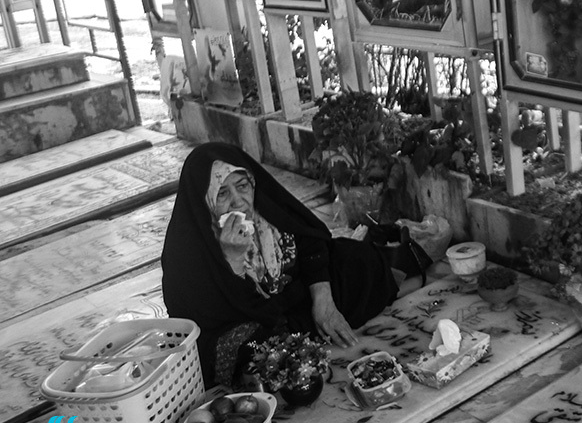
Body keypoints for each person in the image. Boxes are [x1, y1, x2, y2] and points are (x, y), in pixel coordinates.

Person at [161, 143, 409, 387]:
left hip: (295, 302)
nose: (238, 201)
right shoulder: (186, 251)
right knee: (253, 348)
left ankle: (312, 328)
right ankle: (295, 345)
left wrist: (323, 301)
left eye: (242, 186)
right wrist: (233, 261)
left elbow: (311, 240)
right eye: (222, 193)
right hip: (250, 321)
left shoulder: (265, 208)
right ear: (204, 200)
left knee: (357, 259)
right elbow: (215, 316)